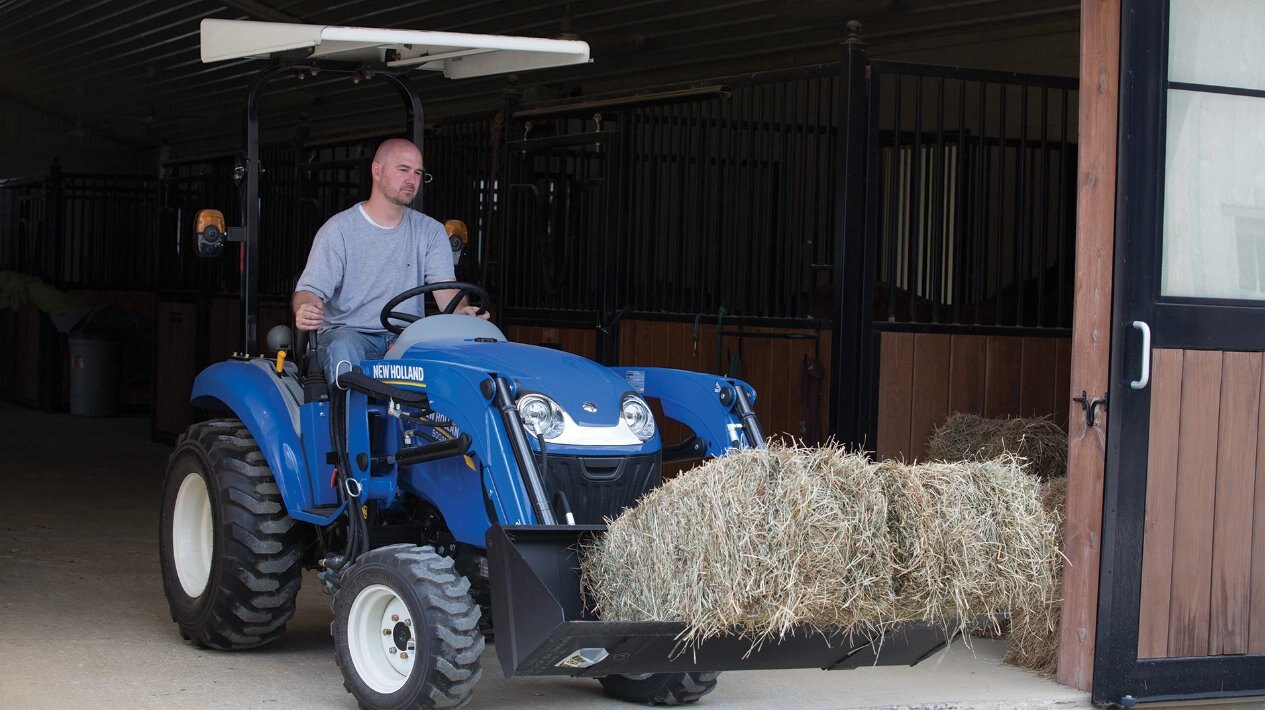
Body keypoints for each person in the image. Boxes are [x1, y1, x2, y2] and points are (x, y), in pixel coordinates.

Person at [293, 138, 486, 383]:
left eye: (417, 173)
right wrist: (305, 308)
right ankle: (349, 421)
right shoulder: (339, 230)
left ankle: (432, 422)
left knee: (445, 355)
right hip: (351, 336)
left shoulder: (431, 231)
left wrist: (462, 312)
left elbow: (445, 288)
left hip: (406, 337)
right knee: (344, 347)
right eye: (403, 170)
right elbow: (308, 291)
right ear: (377, 170)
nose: (411, 180)